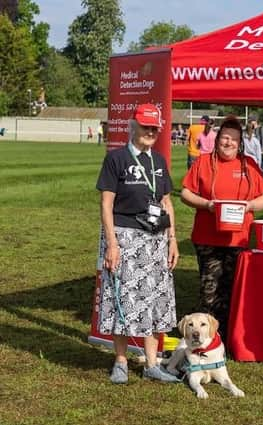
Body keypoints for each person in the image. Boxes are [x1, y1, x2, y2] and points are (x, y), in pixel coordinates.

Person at [96, 103, 180, 384]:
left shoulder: (159, 161)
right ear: (134, 126)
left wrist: (173, 240)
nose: (150, 132)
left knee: (154, 299)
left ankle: (152, 364)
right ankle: (120, 361)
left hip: (155, 239)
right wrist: (112, 243)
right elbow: (106, 203)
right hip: (124, 235)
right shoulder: (116, 158)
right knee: (122, 297)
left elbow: (166, 202)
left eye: (154, 128)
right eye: (145, 127)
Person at [181, 115, 263, 341]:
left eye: (234, 139)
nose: (228, 143)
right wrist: (208, 204)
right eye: (224, 138)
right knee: (210, 290)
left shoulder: (249, 164)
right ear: (217, 138)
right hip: (207, 238)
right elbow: (185, 193)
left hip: (238, 239)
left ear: (240, 142)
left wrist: (249, 205)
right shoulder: (203, 162)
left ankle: (229, 337)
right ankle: (205, 339)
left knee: (232, 289)